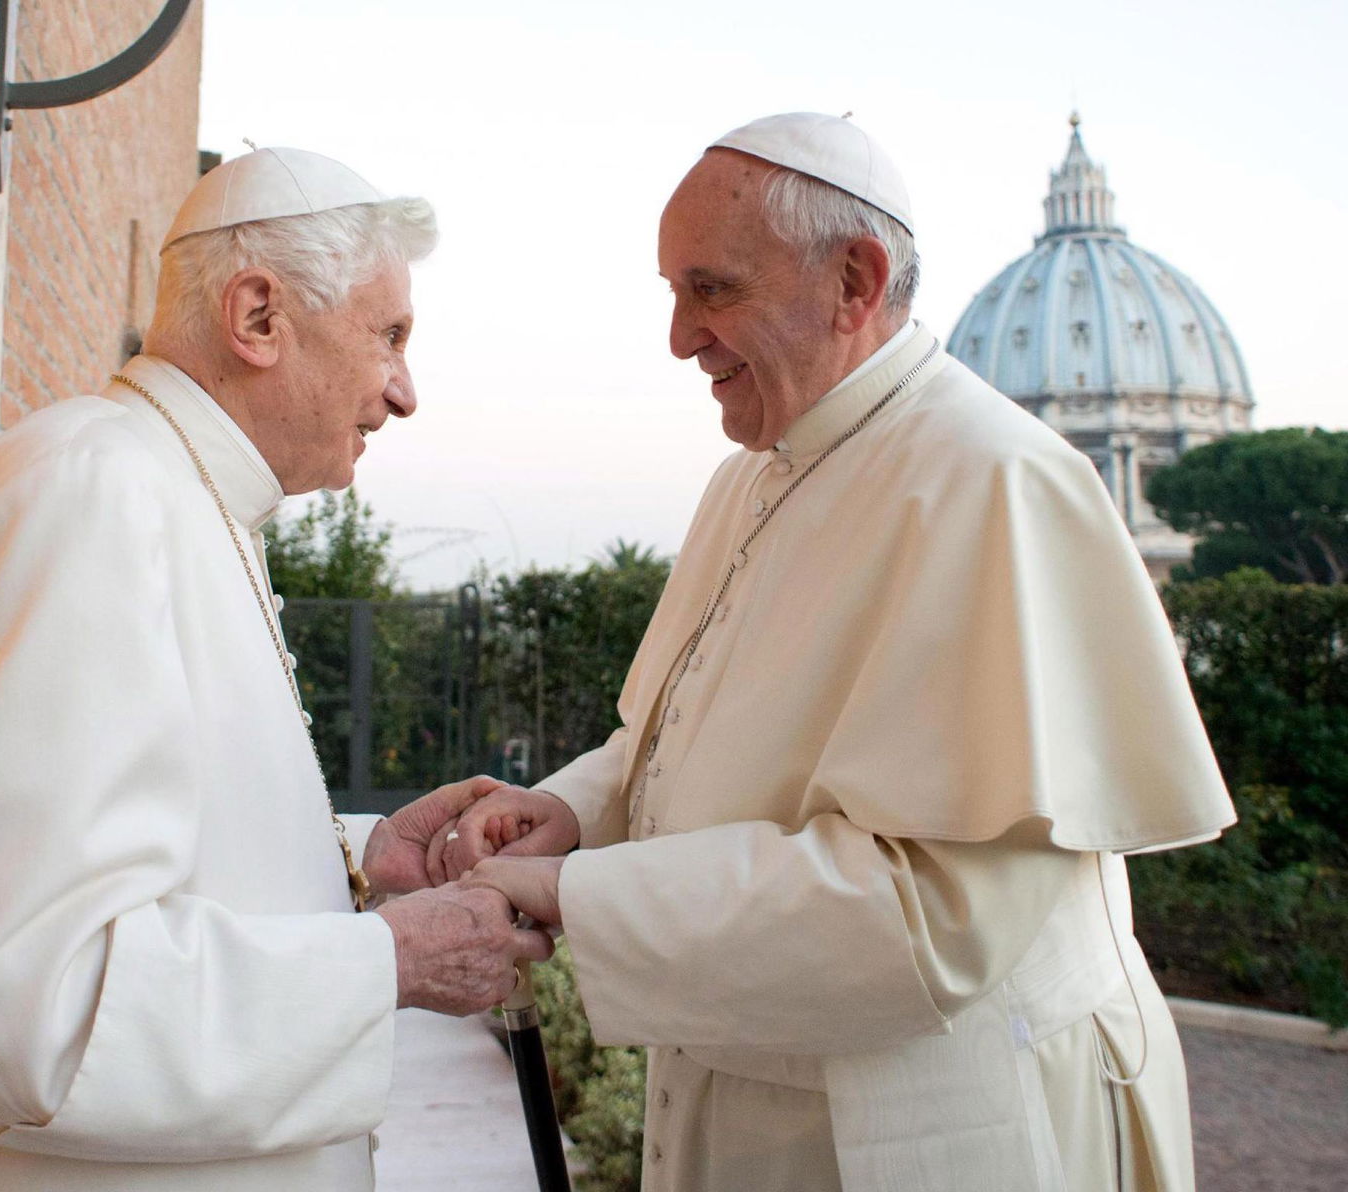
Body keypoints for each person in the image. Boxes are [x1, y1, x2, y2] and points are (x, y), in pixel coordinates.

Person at [446, 113, 1235, 1191]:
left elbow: (936, 914)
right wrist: (580, 812)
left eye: (711, 290)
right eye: (672, 292)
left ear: (853, 282)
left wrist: (578, 895)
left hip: (931, 1125)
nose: (679, 336)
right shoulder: (755, 472)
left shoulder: (993, 481)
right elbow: (683, 737)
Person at [0, 147, 550, 1192]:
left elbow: (161, 862)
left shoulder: (167, 495)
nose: (403, 391)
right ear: (258, 316)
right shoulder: (98, 497)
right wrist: (386, 959)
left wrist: (358, 869)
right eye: (387, 334)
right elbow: (34, 1009)